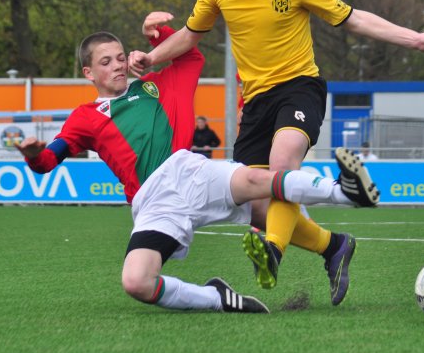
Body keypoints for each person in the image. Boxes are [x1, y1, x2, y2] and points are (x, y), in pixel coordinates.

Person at [134, 0, 424, 302]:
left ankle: (272, 251)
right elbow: (192, 35)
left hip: (300, 87)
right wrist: (151, 57)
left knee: (282, 165)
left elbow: (354, 19)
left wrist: (414, 38)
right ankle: (334, 247)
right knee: (259, 202)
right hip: (257, 102)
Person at [18, 26, 377, 315]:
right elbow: (47, 162)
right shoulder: (84, 117)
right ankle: (218, 297)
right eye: (106, 61)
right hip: (154, 203)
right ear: (88, 72)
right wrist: (34, 155)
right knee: (136, 282)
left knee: (259, 187)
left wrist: (158, 34)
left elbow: (191, 54)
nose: (117, 65)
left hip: (188, 171)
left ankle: (345, 192)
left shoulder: (155, 85)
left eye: (120, 57)